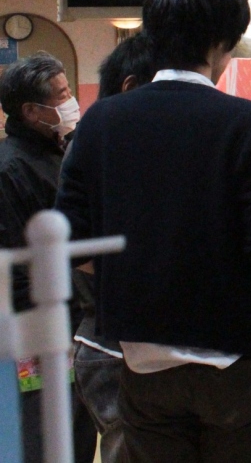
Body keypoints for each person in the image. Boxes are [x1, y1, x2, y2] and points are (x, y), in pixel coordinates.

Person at [57, 0, 251, 463]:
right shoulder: (249, 123)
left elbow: (72, 245)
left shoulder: (101, 122)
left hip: (144, 363)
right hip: (240, 362)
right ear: (224, 41)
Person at [0, 51, 96, 463]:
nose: (71, 101)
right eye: (61, 95)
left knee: (77, 433)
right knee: (47, 437)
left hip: (74, 320)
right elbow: (16, 266)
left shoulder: (58, 153)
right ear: (31, 111)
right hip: (40, 329)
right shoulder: (10, 169)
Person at [69, 34, 155, 463]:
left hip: (111, 341)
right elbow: (77, 246)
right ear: (131, 86)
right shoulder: (102, 145)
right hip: (111, 346)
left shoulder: (103, 140)